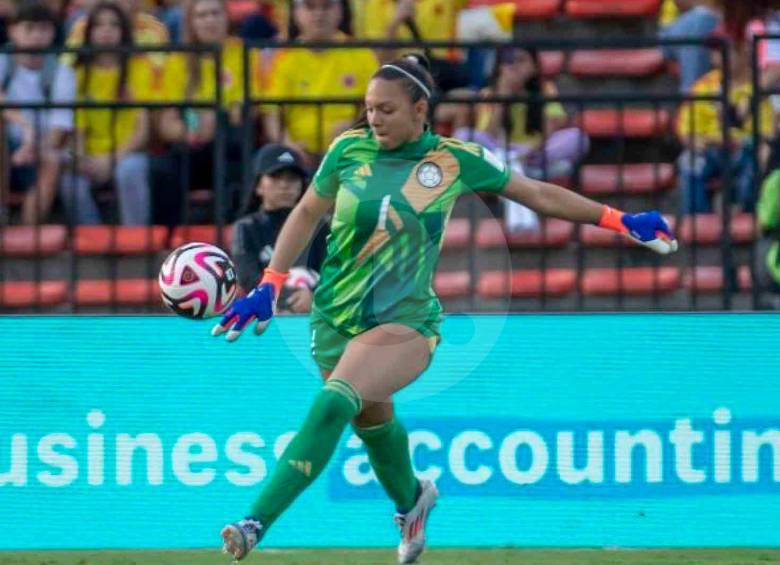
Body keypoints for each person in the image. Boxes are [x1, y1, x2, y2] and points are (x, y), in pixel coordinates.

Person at [213, 54, 678, 564]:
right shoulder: (348, 150)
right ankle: (413, 502)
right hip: (332, 321)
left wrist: (619, 219)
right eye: (369, 108)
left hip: (405, 322)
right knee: (372, 427)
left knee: (332, 403)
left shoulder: (453, 160)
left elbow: (536, 193)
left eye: (387, 109)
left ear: (420, 110)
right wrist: (270, 284)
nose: (374, 119)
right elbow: (305, 213)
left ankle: (254, 522)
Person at [150, 0, 263, 226]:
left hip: (230, 142)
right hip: (190, 145)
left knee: (231, 144)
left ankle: (231, 228)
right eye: (201, 15)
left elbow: (247, 111)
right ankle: (172, 236)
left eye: (215, 13)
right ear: (191, 22)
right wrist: (189, 133)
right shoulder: (177, 61)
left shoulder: (245, 54)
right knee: (159, 169)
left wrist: (215, 118)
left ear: (226, 18)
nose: (209, 20)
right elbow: (166, 123)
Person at [59, 0, 155, 224]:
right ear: (89, 32)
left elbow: (142, 131)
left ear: (124, 31)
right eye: (99, 25)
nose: (106, 31)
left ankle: (135, 237)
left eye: (114, 25)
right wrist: (83, 159)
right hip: (91, 156)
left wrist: (112, 159)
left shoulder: (139, 68)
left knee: (130, 170)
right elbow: (78, 130)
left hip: (127, 153)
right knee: (70, 180)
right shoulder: (78, 73)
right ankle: (91, 237)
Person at [264, 0, 378, 164]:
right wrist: (290, 146)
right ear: (295, 13)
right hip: (297, 157)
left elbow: (377, 107)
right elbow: (271, 114)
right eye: (310, 6)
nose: (319, 14)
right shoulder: (282, 57)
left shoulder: (361, 54)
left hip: (352, 149)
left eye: (327, 6)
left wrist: (354, 128)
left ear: (341, 10)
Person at [0, 0, 75, 225]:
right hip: (8, 146)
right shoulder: (2, 62)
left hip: (43, 147)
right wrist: (26, 128)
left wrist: (33, 147)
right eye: (29, 28)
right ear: (12, 31)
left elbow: (60, 127)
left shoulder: (63, 71)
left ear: (52, 33)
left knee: (53, 159)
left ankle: (28, 232)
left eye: (43, 29)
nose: (36, 36)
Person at [232, 142, 328, 313]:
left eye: (292, 178)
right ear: (258, 185)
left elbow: (334, 270)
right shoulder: (246, 228)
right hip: (269, 312)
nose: (285, 185)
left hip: (317, 313)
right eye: (276, 176)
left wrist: (315, 296)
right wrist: (287, 298)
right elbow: (247, 277)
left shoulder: (322, 225)